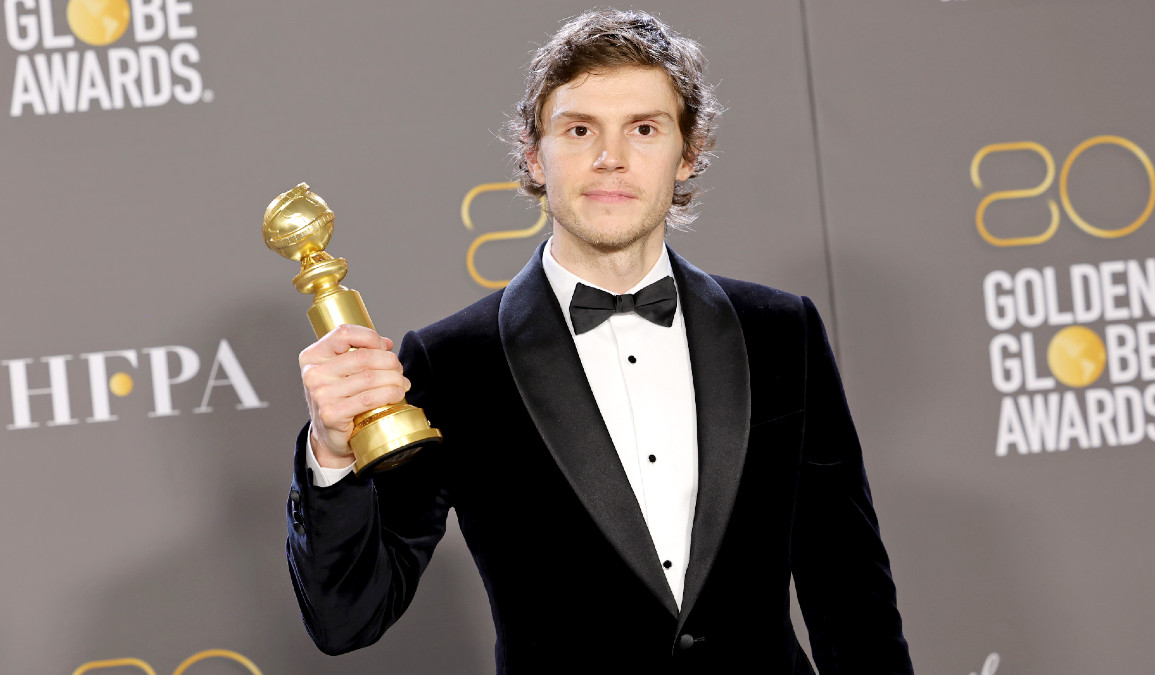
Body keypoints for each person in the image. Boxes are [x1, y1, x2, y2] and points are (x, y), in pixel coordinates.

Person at [286, 8, 913, 674]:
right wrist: (330, 452)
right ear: (534, 152)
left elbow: (853, 598)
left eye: (644, 128)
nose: (611, 157)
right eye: (580, 129)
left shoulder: (781, 331)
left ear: (688, 152)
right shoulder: (452, 362)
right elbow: (346, 616)